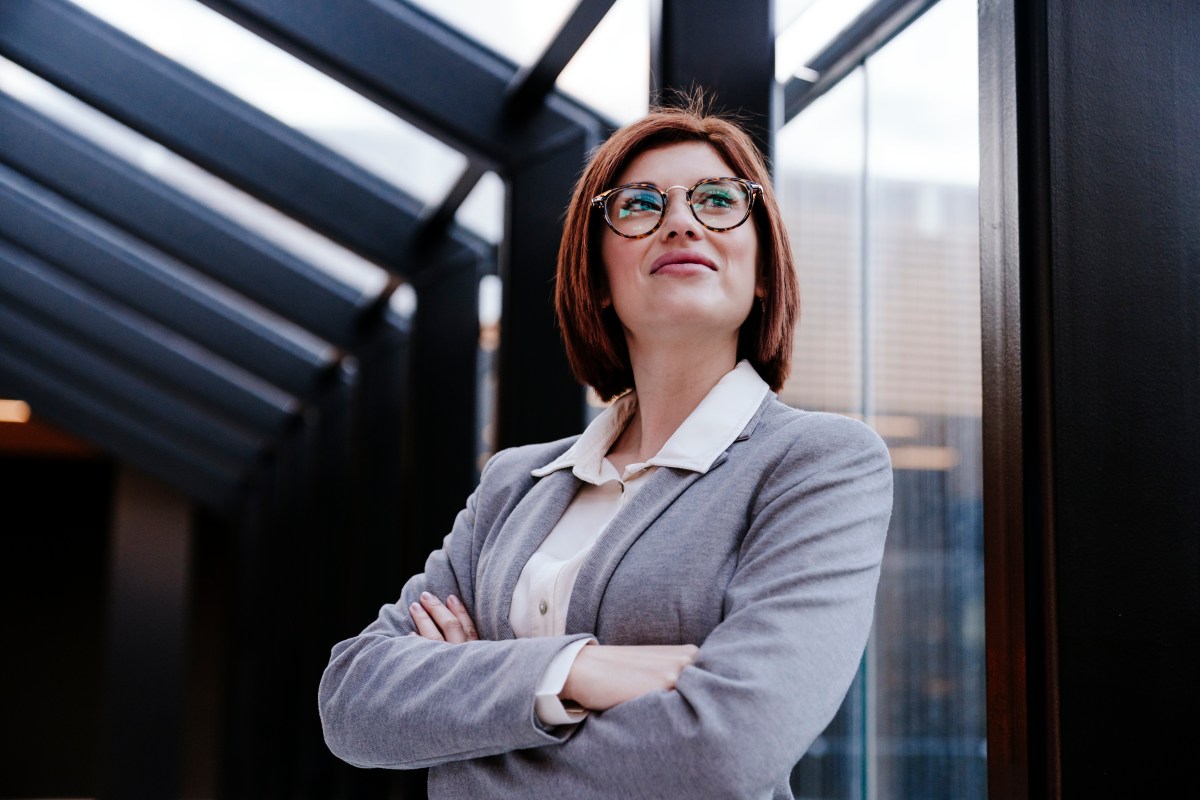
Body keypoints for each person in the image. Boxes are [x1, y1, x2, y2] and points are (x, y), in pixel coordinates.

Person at [318, 96, 894, 800]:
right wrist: (574, 672)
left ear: (764, 267)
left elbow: (722, 753)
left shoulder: (819, 464)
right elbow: (353, 700)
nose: (681, 220)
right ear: (596, 281)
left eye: (717, 200)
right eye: (639, 205)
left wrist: (464, 727)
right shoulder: (515, 482)